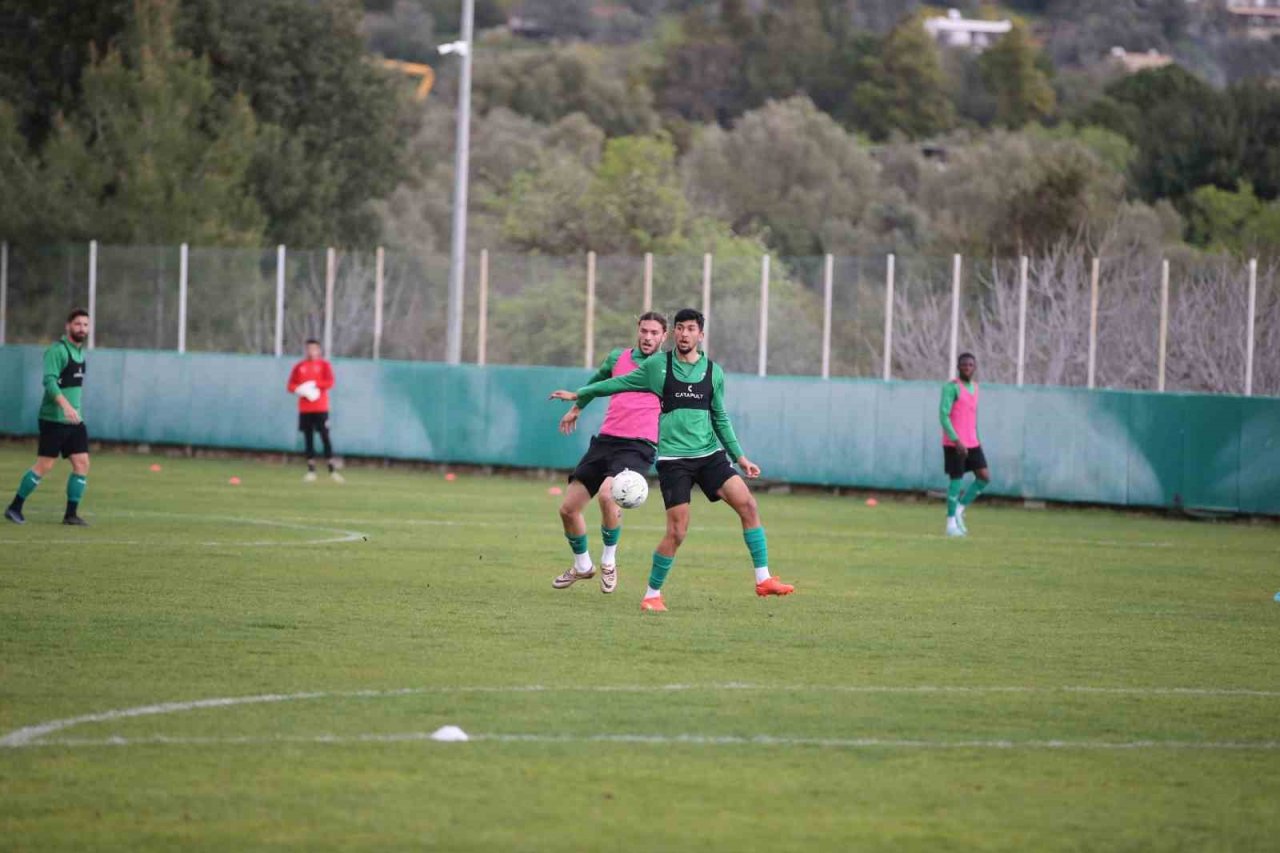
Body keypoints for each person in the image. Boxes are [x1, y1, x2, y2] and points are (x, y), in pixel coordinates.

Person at [550, 308, 794, 612]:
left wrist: (739, 457)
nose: (684, 334)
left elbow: (719, 416)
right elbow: (618, 383)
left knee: (748, 505)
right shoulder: (657, 366)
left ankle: (763, 579)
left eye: (690, 328)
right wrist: (580, 395)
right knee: (677, 532)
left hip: (709, 455)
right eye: (679, 328)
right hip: (673, 461)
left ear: (700, 335)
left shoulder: (713, 372)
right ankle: (652, 595)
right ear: (674, 333)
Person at [552, 312, 668, 594]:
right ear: (637, 331)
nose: (648, 337)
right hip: (605, 441)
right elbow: (598, 382)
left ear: (664, 336)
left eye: (654, 333)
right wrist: (577, 407)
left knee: (608, 494)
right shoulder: (618, 357)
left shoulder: (668, 367)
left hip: (639, 444)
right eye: (644, 331)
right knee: (568, 510)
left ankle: (608, 560)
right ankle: (582, 566)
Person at [5, 309, 92, 526]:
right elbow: (49, 382)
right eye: (78, 324)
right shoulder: (57, 351)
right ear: (68, 326)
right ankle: (15, 507)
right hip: (54, 419)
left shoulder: (81, 353)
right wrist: (65, 406)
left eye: (85, 325)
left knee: (82, 463)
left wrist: (75, 411)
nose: (82, 328)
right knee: (45, 465)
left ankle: (70, 515)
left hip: (74, 420)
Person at [941, 352, 990, 537]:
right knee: (956, 480)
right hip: (955, 443)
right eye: (964, 365)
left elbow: (970, 417)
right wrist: (956, 439)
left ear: (974, 368)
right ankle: (950, 524)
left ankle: (960, 509)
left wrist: (975, 438)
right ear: (958, 367)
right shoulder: (951, 387)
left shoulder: (976, 388)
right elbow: (943, 415)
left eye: (970, 365)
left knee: (984, 477)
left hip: (972, 441)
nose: (967, 368)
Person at [287, 339, 342, 482]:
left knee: (325, 436)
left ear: (318, 350)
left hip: (320, 407)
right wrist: (300, 389)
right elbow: (290, 385)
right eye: (309, 349)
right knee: (308, 437)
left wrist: (315, 385)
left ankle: (332, 470)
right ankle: (311, 470)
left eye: (314, 349)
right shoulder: (300, 366)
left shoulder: (324, 365)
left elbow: (330, 382)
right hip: (305, 409)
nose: (311, 351)